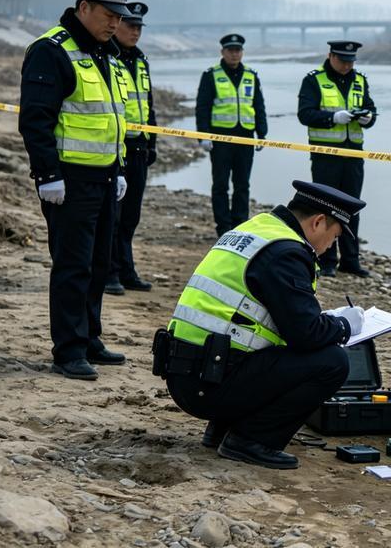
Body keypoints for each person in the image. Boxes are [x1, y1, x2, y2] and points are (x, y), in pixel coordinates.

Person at [155, 180, 366, 469]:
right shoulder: (287, 253)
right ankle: (250, 440)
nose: (332, 247)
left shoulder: (257, 230)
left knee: (271, 345)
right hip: (207, 385)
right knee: (333, 362)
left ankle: (222, 429)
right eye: (335, 236)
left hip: (191, 372)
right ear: (318, 222)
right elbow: (306, 336)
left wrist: (319, 320)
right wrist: (343, 326)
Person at [18, 0, 135, 380]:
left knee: (99, 262)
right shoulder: (51, 51)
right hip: (69, 181)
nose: (115, 23)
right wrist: (47, 174)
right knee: (73, 265)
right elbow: (36, 119)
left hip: (103, 179)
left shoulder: (103, 53)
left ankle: (89, 339)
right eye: (108, 15)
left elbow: (109, 120)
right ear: (84, 7)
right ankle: (68, 350)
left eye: (119, 17)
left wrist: (117, 169)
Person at [296, 40, 377, 277]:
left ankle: (350, 260)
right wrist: (333, 118)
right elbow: (305, 114)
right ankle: (326, 260)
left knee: (352, 205)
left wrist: (367, 118)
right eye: (343, 60)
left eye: (351, 61)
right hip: (326, 154)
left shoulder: (360, 80)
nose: (346, 65)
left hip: (353, 154)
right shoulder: (314, 80)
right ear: (331, 56)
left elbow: (371, 110)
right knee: (326, 206)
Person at [106, 1, 156, 295]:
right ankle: (109, 272)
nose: (135, 32)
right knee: (113, 214)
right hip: (116, 145)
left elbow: (148, 106)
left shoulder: (141, 61)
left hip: (138, 146)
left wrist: (152, 144)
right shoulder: (108, 58)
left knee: (131, 215)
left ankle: (126, 270)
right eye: (130, 26)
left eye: (139, 28)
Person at [195, 33, 267, 237]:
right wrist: (203, 136)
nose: (235, 54)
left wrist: (262, 133)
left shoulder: (251, 75)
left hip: (245, 137)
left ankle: (240, 225)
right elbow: (202, 108)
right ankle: (223, 227)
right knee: (220, 184)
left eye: (238, 51)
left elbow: (258, 105)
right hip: (220, 139)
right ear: (223, 52)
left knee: (242, 184)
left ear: (242, 52)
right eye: (231, 51)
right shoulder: (211, 75)